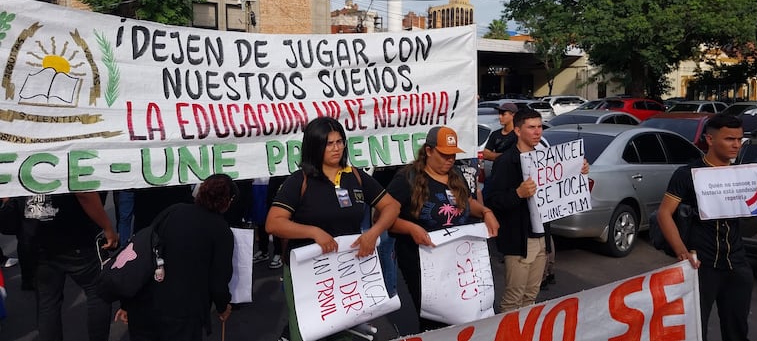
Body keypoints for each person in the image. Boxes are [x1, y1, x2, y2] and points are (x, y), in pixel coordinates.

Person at [265, 116, 400, 341]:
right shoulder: (300, 180)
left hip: (347, 270)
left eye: (340, 142)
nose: (337, 148)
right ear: (314, 146)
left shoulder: (354, 175)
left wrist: (373, 233)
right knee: (308, 333)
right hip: (308, 273)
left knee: (347, 332)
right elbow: (274, 222)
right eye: (329, 144)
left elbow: (392, 206)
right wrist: (313, 232)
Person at [657, 113, 757, 341]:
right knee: (695, 330)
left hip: (736, 262)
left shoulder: (746, 176)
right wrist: (681, 251)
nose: (736, 144)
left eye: (739, 139)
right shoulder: (686, 174)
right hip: (701, 264)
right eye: (729, 139)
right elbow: (665, 214)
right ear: (710, 139)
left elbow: (755, 215)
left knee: (737, 331)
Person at [386, 126, 499, 331]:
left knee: (464, 312)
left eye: (453, 154)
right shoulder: (407, 178)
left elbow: (467, 202)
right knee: (436, 319)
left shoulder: (455, 174)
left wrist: (485, 212)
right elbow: (382, 217)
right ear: (428, 151)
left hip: (456, 261)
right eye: (444, 154)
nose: (449, 159)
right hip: (422, 262)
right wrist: (411, 228)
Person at [484, 109, 587, 312]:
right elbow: (492, 201)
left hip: (541, 237)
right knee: (514, 298)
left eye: (540, 126)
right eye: (531, 127)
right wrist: (518, 194)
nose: (537, 132)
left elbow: (561, 183)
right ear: (517, 131)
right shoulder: (506, 162)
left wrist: (579, 169)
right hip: (519, 240)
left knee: (531, 295)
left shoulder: (546, 158)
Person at [115, 174, 235, 341]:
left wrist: (127, 303)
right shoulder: (221, 231)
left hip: (145, 305)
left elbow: (142, 254)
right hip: (183, 315)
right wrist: (223, 306)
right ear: (227, 201)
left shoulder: (174, 210)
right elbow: (219, 280)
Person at [26, 192, 118, 341]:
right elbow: (83, 192)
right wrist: (107, 227)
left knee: (48, 303)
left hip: (39, 234)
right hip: (76, 235)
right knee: (98, 292)